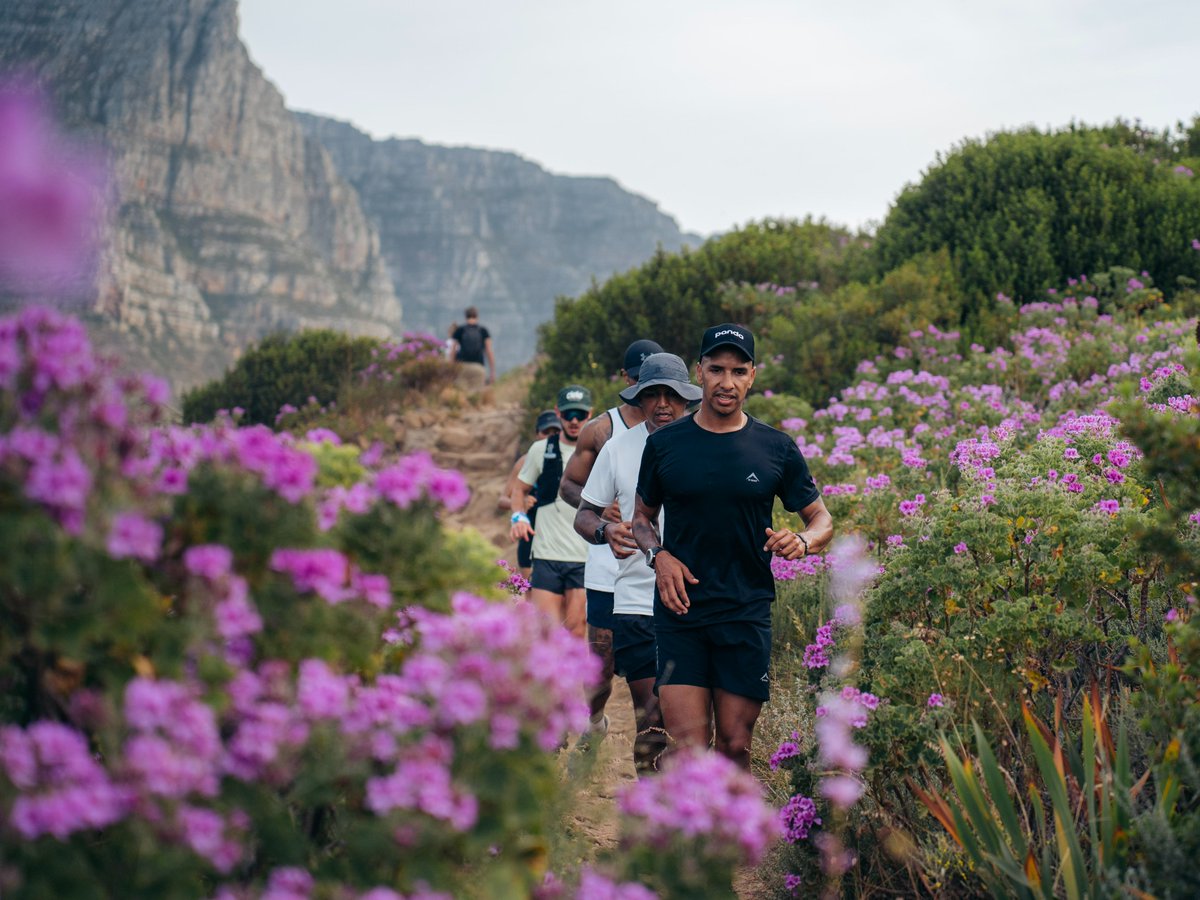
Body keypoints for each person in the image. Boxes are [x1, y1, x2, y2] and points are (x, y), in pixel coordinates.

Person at [632, 324, 833, 769]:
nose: (727, 382)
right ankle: (691, 838)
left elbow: (822, 520)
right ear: (699, 372)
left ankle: (728, 835)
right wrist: (658, 556)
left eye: (738, 371)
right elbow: (641, 519)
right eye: (717, 369)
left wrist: (801, 539)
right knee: (688, 752)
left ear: (752, 375)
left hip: (745, 611)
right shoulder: (664, 445)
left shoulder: (775, 447)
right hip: (680, 613)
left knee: (734, 747)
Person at [574, 353, 700, 773]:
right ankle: (648, 822)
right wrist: (604, 531)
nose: (663, 403)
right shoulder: (617, 449)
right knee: (652, 715)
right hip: (635, 601)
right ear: (640, 399)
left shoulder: (709, 442)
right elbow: (584, 512)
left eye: (672, 395)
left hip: (697, 601)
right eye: (653, 395)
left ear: (687, 398)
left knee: (691, 724)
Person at [559, 338, 663, 743]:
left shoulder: (686, 432)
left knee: (656, 688)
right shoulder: (602, 431)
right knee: (600, 674)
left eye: (660, 388)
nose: (652, 398)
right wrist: (603, 518)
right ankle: (595, 721)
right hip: (607, 569)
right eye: (641, 385)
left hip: (656, 576)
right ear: (627, 381)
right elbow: (571, 485)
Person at [510, 386, 594, 637]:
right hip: (546, 555)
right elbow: (519, 490)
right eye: (569, 414)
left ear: (590, 413)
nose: (574, 421)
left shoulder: (600, 449)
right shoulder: (540, 450)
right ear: (558, 413)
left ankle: (575, 677)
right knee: (547, 631)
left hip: (584, 557)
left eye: (580, 414)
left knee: (577, 629)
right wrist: (518, 517)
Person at [498, 410, 562, 578]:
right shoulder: (524, 461)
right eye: (545, 432)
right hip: (531, 537)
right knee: (531, 594)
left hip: (561, 537)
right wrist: (521, 502)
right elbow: (502, 500)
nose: (550, 436)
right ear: (536, 434)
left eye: (555, 432)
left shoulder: (571, 459)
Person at [450, 306, 496, 385]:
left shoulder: (460, 330)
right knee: (477, 395)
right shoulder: (483, 331)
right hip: (478, 367)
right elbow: (489, 351)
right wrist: (492, 371)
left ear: (466, 317)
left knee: (462, 394)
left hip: (462, 367)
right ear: (477, 316)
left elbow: (453, 351)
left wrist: (451, 369)